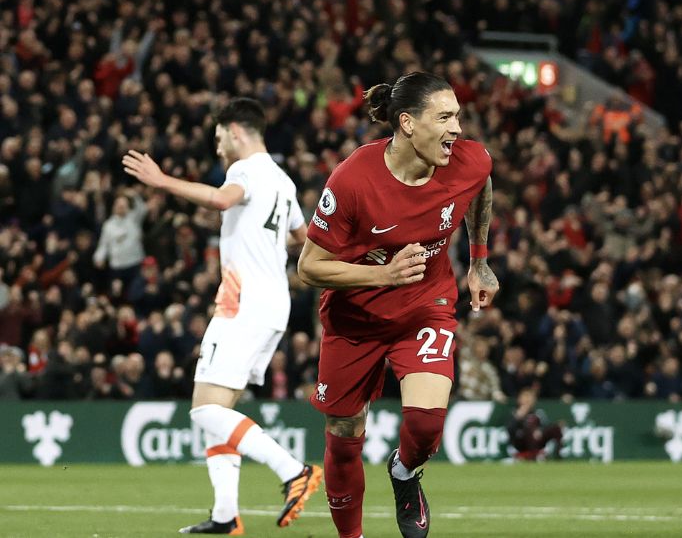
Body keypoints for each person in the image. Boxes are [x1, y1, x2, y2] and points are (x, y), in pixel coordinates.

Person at [297, 71, 498, 538]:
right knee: (345, 440)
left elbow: (480, 183)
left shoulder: (467, 161)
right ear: (407, 123)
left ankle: (405, 472)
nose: (457, 130)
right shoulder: (352, 180)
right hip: (355, 319)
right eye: (444, 118)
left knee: (426, 424)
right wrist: (382, 275)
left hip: (425, 306)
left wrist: (480, 260)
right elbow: (309, 268)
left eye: (458, 117)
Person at [122, 98, 322, 534]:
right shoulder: (284, 181)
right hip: (273, 305)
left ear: (235, 131)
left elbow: (219, 199)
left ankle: (293, 470)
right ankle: (225, 514)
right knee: (220, 410)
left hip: (242, 302)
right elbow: (303, 238)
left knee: (203, 411)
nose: (217, 150)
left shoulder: (245, 171)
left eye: (218, 139)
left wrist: (161, 181)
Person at [507, 387, 564, 461]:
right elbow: (510, 430)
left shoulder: (538, 413)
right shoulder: (514, 413)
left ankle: (558, 457)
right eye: (525, 397)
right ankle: (533, 457)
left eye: (530, 397)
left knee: (556, 428)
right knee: (529, 427)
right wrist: (518, 418)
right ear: (519, 399)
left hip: (537, 440)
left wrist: (540, 430)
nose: (527, 400)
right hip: (521, 442)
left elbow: (546, 425)